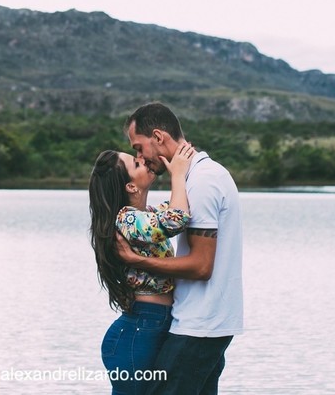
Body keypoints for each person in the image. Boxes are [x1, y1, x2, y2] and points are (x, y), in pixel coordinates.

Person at [117, 102, 243, 395]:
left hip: (199, 323)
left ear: (158, 138)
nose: (140, 157)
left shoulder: (203, 180)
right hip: (203, 321)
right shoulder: (193, 177)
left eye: (139, 147)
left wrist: (135, 260)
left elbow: (201, 266)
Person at [89, 139, 197, 394]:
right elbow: (177, 219)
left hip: (150, 325)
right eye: (136, 163)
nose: (144, 161)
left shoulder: (144, 216)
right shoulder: (126, 219)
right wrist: (178, 174)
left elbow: (176, 208)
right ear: (130, 185)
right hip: (140, 330)